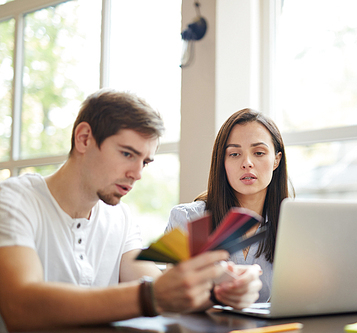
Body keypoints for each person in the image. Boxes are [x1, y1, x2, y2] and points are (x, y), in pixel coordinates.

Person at [0, 89, 262, 332]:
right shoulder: (14, 201)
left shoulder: (120, 217)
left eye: (144, 162)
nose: (137, 174)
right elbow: (20, 308)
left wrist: (219, 291)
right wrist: (151, 296)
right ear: (84, 139)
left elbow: (158, 290)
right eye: (127, 154)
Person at [166, 108, 292, 302]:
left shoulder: (293, 225)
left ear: (276, 160)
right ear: (222, 161)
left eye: (259, 152)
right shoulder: (188, 219)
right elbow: (173, 297)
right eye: (234, 154)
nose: (247, 163)